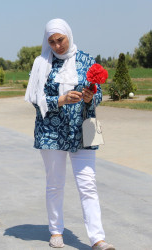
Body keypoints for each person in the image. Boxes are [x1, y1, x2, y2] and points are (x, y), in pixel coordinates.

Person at [25, 19, 115, 250]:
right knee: (55, 183)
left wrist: (89, 97)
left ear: (69, 36)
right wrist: (62, 100)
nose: (57, 46)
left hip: (83, 129)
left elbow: (98, 94)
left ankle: (97, 238)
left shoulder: (86, 60)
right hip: (51, 131)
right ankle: (55, 230)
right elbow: (36, 100)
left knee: (88, 185)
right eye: (52, 42)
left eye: (60, 40)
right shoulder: (41, 63)